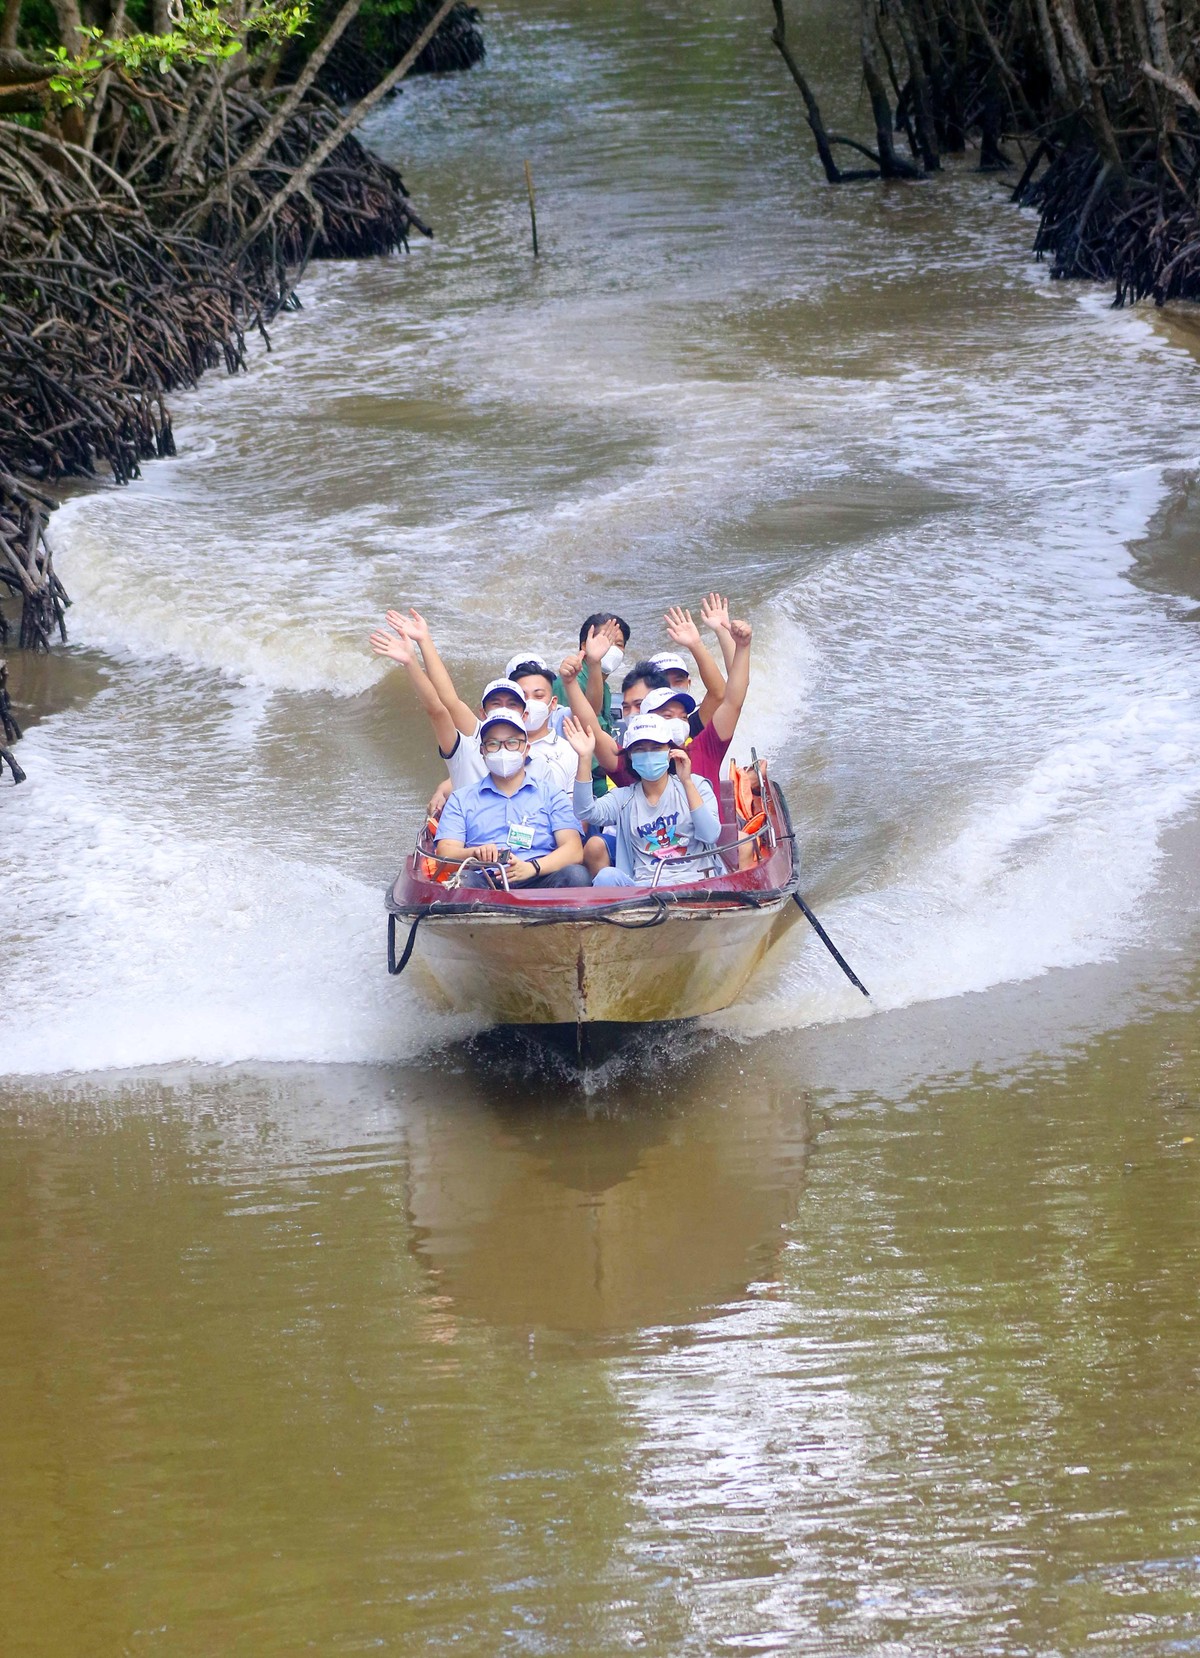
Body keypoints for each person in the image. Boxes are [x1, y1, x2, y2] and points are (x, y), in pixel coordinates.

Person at [563, 617, 753, 792]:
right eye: (667, 715)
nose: (677, 722)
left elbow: (732, 701)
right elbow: (591, 726)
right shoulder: (631, 764)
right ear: (646, 719)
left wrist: (743, 646)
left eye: (683, 716)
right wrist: (574, 679)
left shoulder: (705, 750)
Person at [564, 714, 722, 888]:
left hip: (694, 883)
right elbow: (585, 811)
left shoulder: (696, 785)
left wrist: (687, 782)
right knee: (606, 876)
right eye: (640, 749)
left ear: (670, 751)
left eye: (656, 747)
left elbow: (710, 835)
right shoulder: (623, 798)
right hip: (643, 888)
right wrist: (585, 758)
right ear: (630, 755)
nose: (648, 755)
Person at [435, 711, 589, 890]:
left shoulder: (552, 794)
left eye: (512, 743)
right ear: (482, 751)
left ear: (526, 749)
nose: (503, 750)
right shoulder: (461, 799)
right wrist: (475, 853)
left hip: (540, 876)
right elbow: (444, 854)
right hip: (486, 877)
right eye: (493, 744)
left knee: (577, 875)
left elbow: (574, 850)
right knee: (460, 882)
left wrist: (533, 868)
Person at [648, 603, 729, 733]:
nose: (670, 687)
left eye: (678, 681)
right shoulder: (636, 724)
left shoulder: (691, 726)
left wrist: (695, 644)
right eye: (661, 682)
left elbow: (719, 694)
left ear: (689, 683)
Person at [550, 612, 629, 730]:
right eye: (605, 641)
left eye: (619, 644)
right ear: (585, 646)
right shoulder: (568, 684)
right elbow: (586, 726)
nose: (611, 648)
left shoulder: (604, 686)